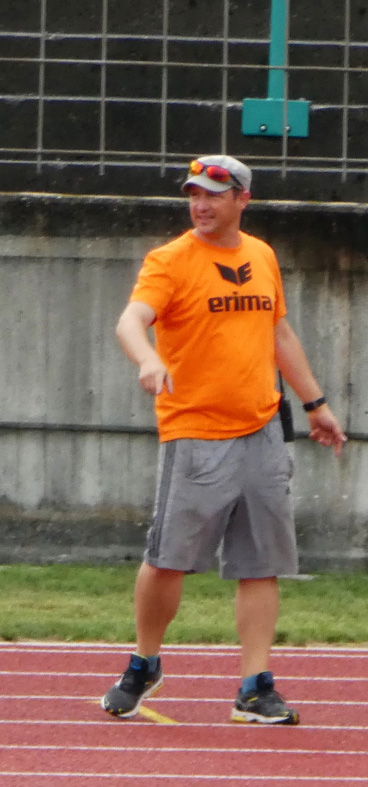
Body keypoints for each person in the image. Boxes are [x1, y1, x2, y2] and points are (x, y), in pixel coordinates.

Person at [101, 155, 347, 726]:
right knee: (167, 560)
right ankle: (145, 662)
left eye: (213, 194)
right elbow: (130, 321)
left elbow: (277, 331)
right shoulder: (171, 260)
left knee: (260, 563)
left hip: (263, 427)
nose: (200, 204)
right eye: (194, 194)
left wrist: (315, 404)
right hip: (195, 430)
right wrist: (147, 359)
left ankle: (255, 685)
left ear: (242, 199)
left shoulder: (261, 255)